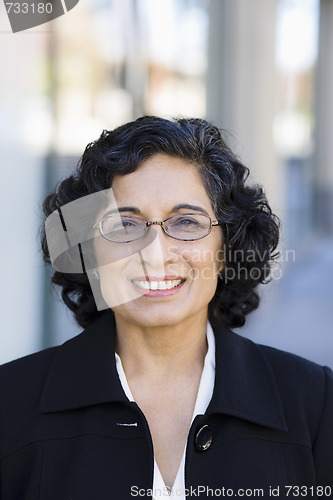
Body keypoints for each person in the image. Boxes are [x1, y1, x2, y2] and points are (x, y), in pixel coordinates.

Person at [0, 116, 332, 500]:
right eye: (125, 224)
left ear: (226, 250)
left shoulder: (314, 404)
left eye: (187, 222)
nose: (154, 256)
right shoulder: (9, 404)